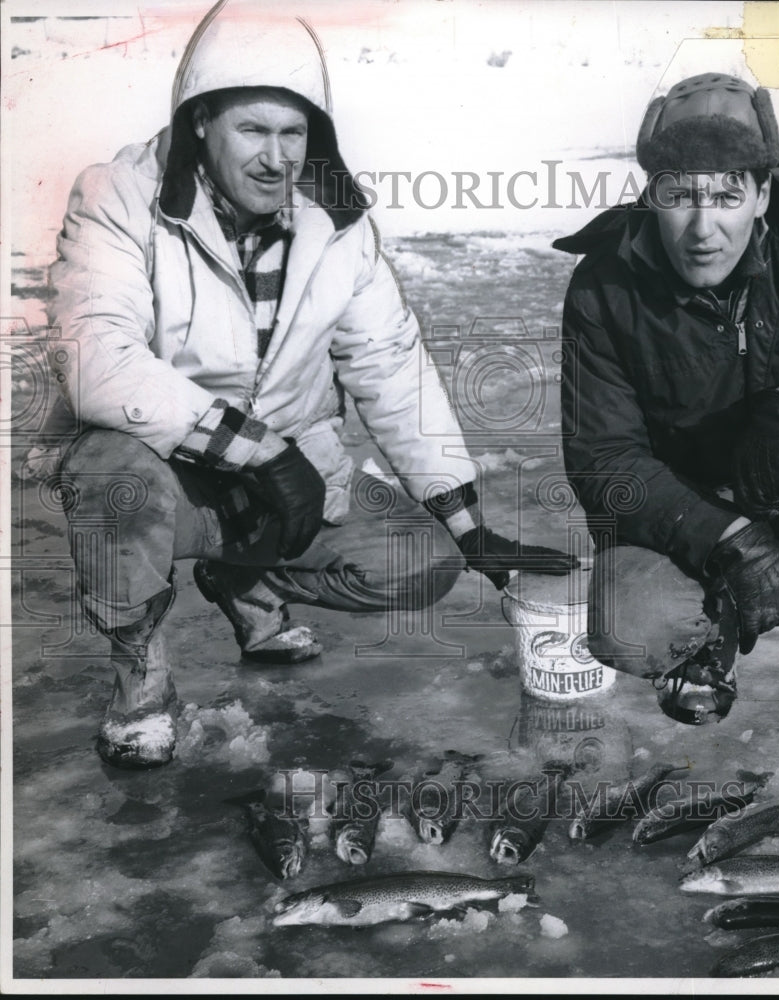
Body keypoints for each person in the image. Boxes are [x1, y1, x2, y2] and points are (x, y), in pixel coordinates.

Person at [45, 0, 575, 771]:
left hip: (291, 480)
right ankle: (141, 679)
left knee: (423, 561)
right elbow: (98, 360)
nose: (276, 158)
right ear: (199, 123)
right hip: (170, 471)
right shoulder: (119, 198)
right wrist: (256, 451)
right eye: (252, 131)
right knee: (109, 477)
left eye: (293, 133)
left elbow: (388, 362)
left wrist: (465, 519)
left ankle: (243, 577)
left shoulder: (338, 221)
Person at [556, 73, 779, 806]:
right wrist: (728, 539)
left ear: (764, 194)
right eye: (679, 195)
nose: (702, 226)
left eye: (726, 195)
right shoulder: (603, 287)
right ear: (652, 195)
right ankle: (714, 633)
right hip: (699, 520)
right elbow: (603, 460)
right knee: (633, 628)